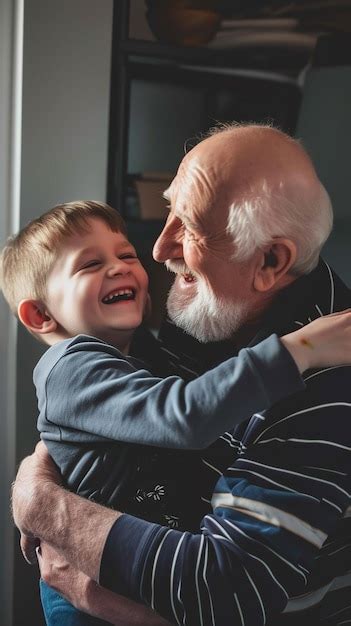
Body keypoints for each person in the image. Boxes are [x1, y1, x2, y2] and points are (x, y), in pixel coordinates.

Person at [11, 124, 351, 626]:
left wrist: (47, 511)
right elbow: (128, 409)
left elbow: (225, 590)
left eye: (189, 225)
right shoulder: (200, 303)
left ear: (271, 260)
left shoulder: (326, 379)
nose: (158, 249)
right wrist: (41, 475)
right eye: (167, 207)